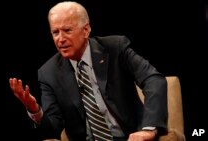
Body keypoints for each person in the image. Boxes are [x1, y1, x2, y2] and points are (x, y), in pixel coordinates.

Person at [9, 1, 167, 141]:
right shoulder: (48, 72)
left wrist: (148, 130)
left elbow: (153, 80)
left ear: (86, 30)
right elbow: (52, 130)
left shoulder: (115, 48)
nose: (60, 39)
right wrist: (34, 110)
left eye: (67, 30)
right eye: (55, 33)